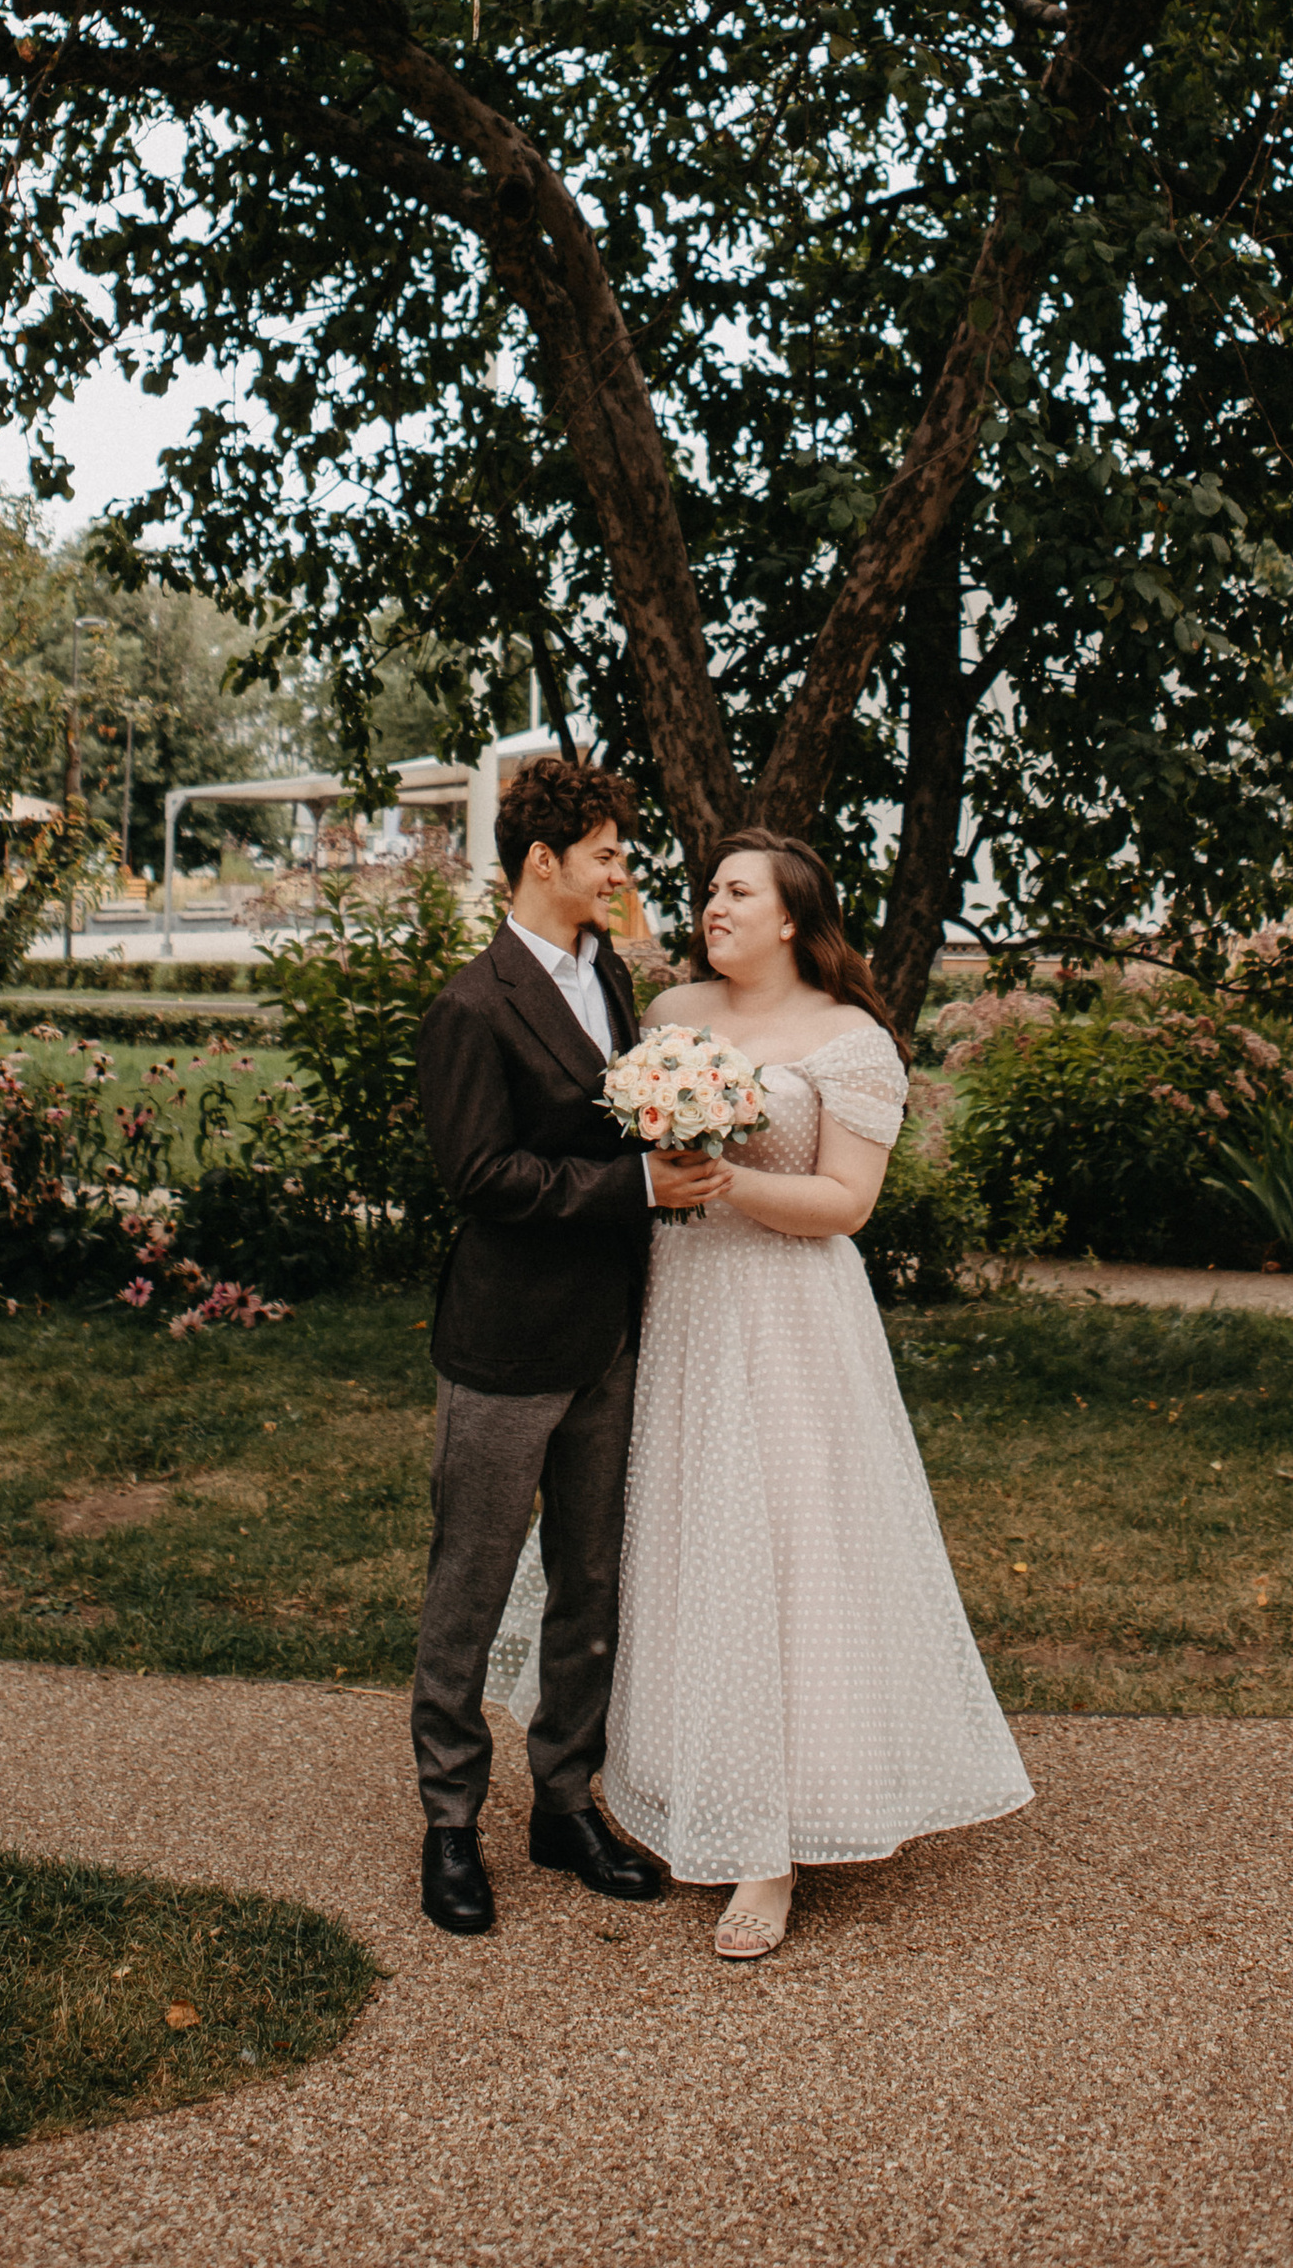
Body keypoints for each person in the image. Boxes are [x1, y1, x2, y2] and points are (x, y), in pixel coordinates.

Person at [506, 828, 1032, 1959]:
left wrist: (725, 1178)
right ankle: (688, 1777)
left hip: (793, 1322)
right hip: (679, 1310)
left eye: (737, 891)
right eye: (707, 890)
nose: (711, 905)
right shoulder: (664, 1014)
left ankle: (769, 1854)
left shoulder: (852, 1041)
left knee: (786, 1553)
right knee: (682, 1544)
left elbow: (845, 1204)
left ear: (792, 917)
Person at [407, 752, 720, 1936]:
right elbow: (480, 1177)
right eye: (605, 854)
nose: (620, 871)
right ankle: (448, 1823)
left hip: (613, 1336)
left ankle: (562, 1800)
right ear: (544, 861)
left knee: (590, 1582)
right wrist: (636, 1181)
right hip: (501, 1344)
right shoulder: (471, 1005)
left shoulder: (616, 985)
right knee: (471, 1585)